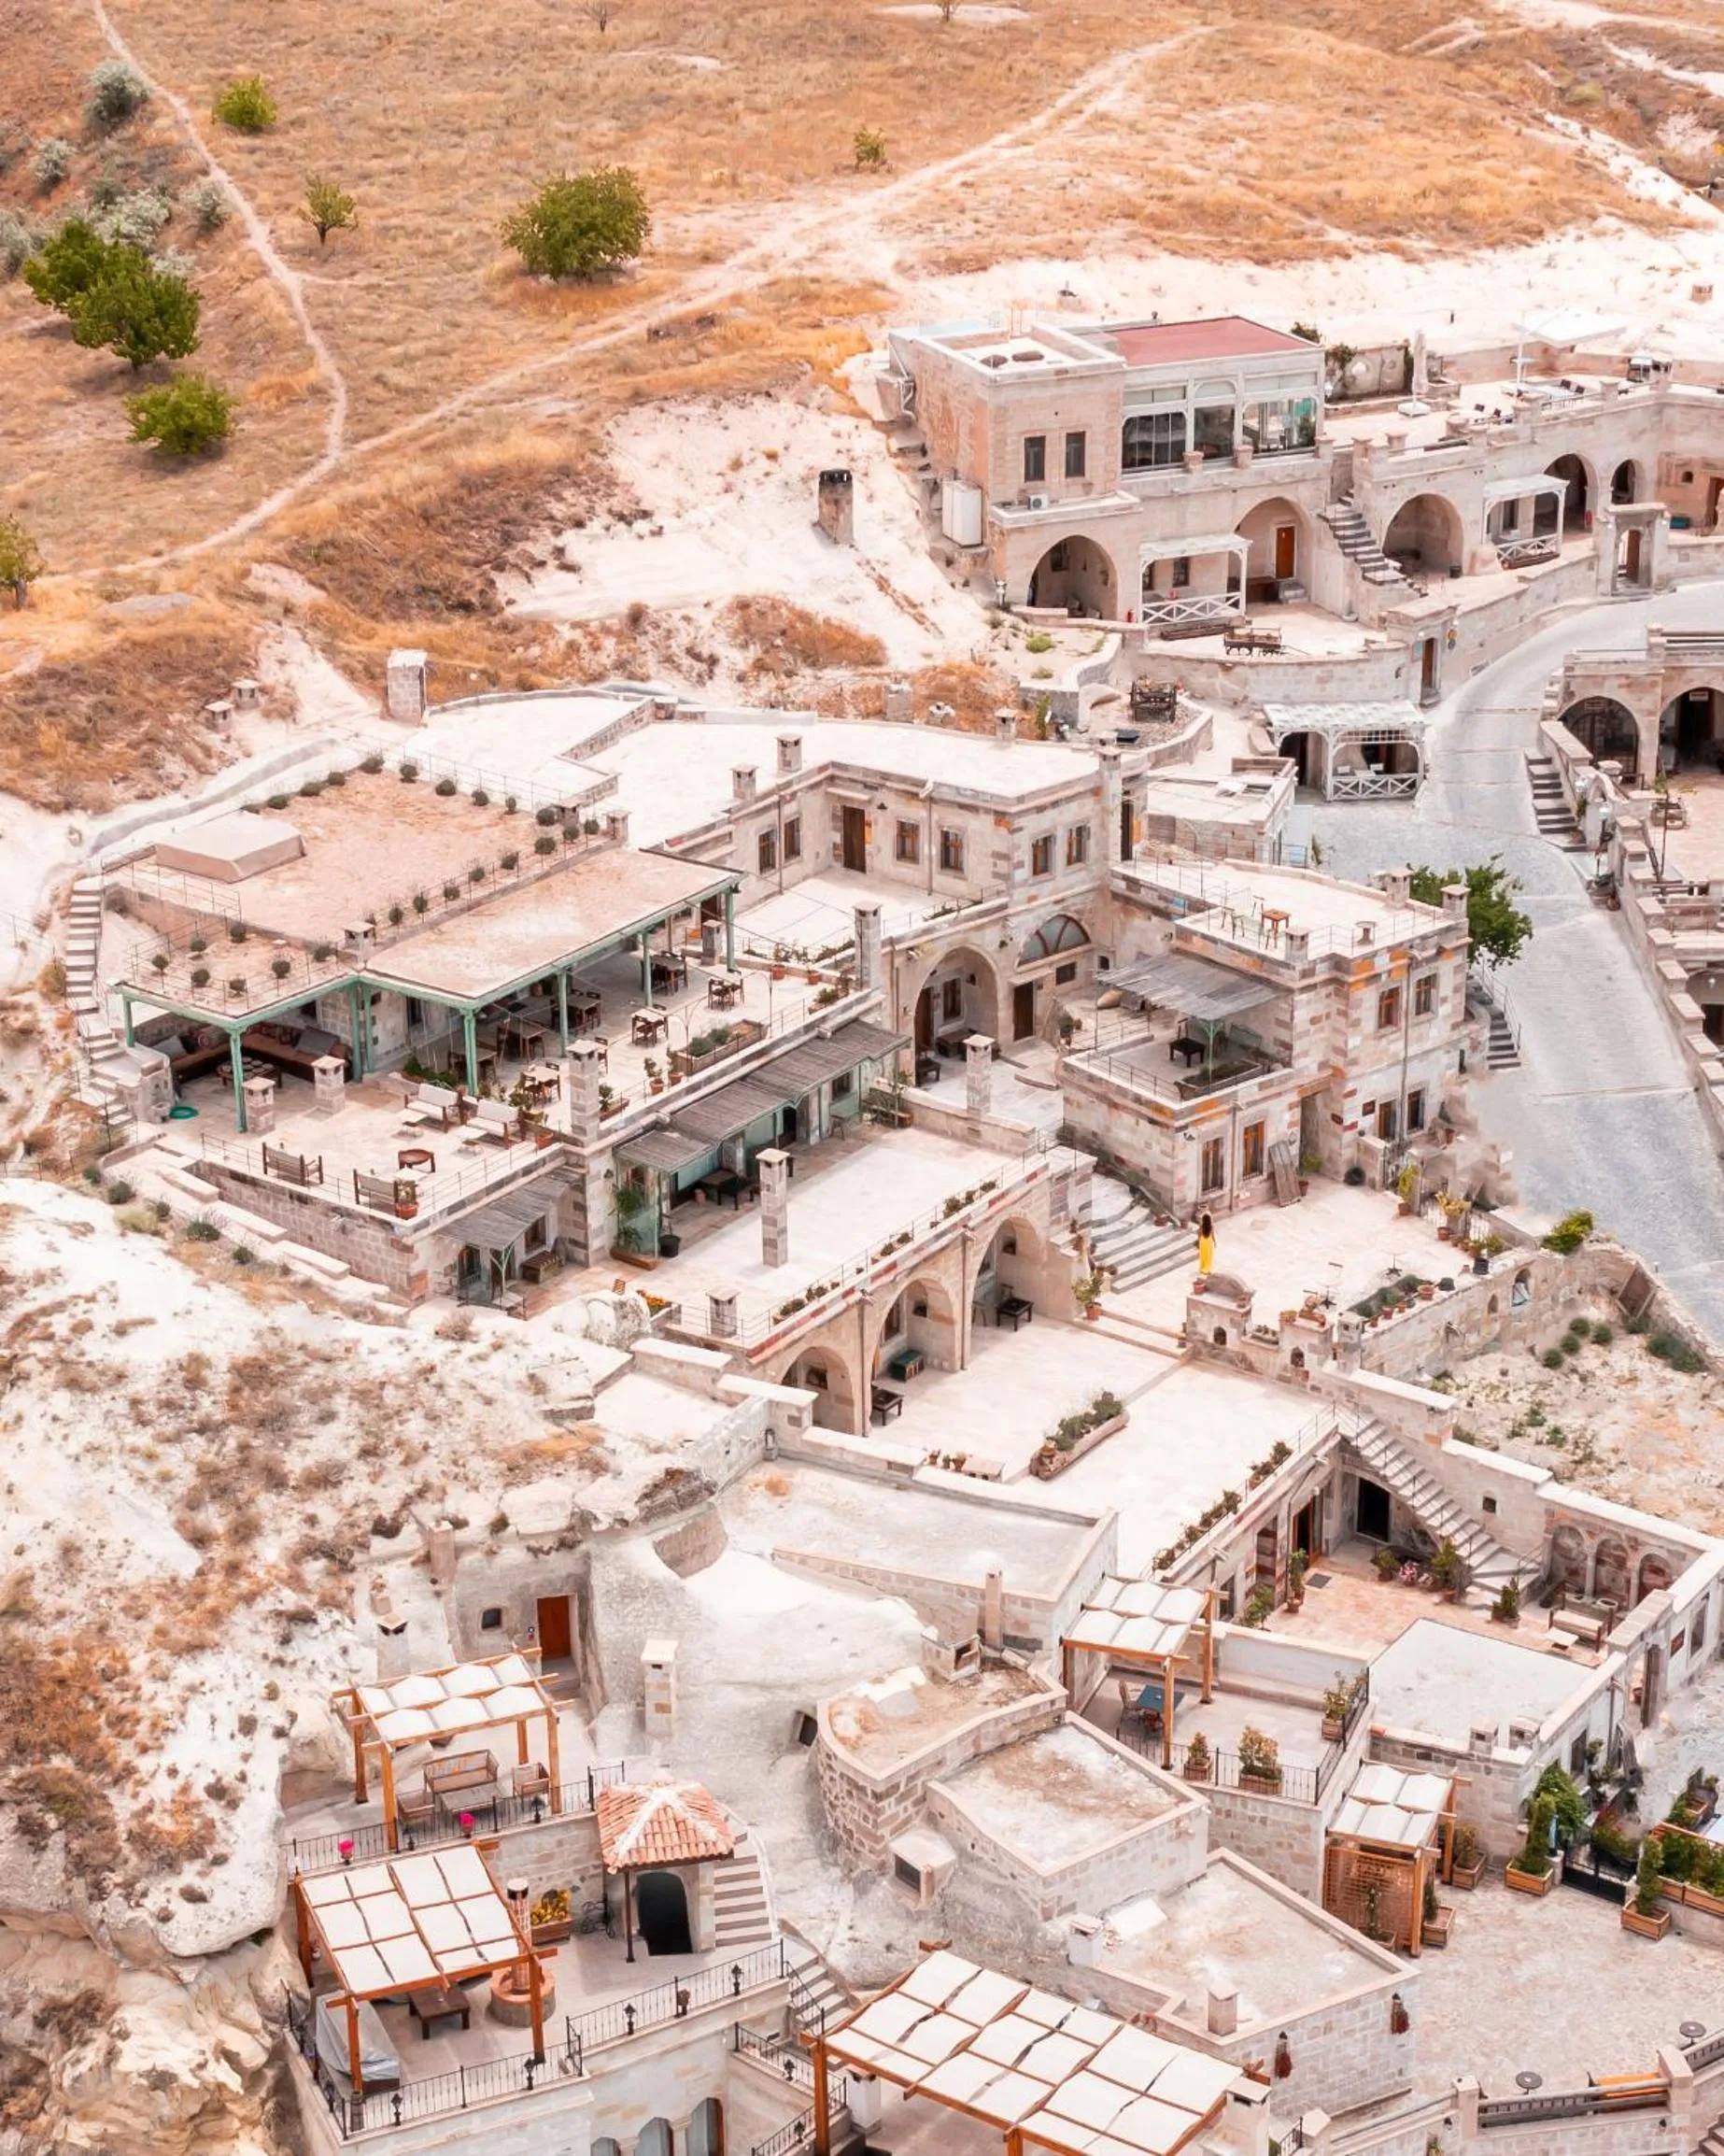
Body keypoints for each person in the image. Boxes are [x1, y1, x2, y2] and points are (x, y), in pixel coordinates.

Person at [1196, 1211, 1216, 1276]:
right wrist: (1215, 1242)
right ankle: (1208, 1269)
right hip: (1209, 1242)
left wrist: (1198, 1243)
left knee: (1203, 1255)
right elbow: (1213, 1235)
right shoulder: (1211, 1226)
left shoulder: (1201, 1227)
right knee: (1209, 1256)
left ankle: (1202, 1268)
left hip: (1203, 1242)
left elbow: (1199, 1236)